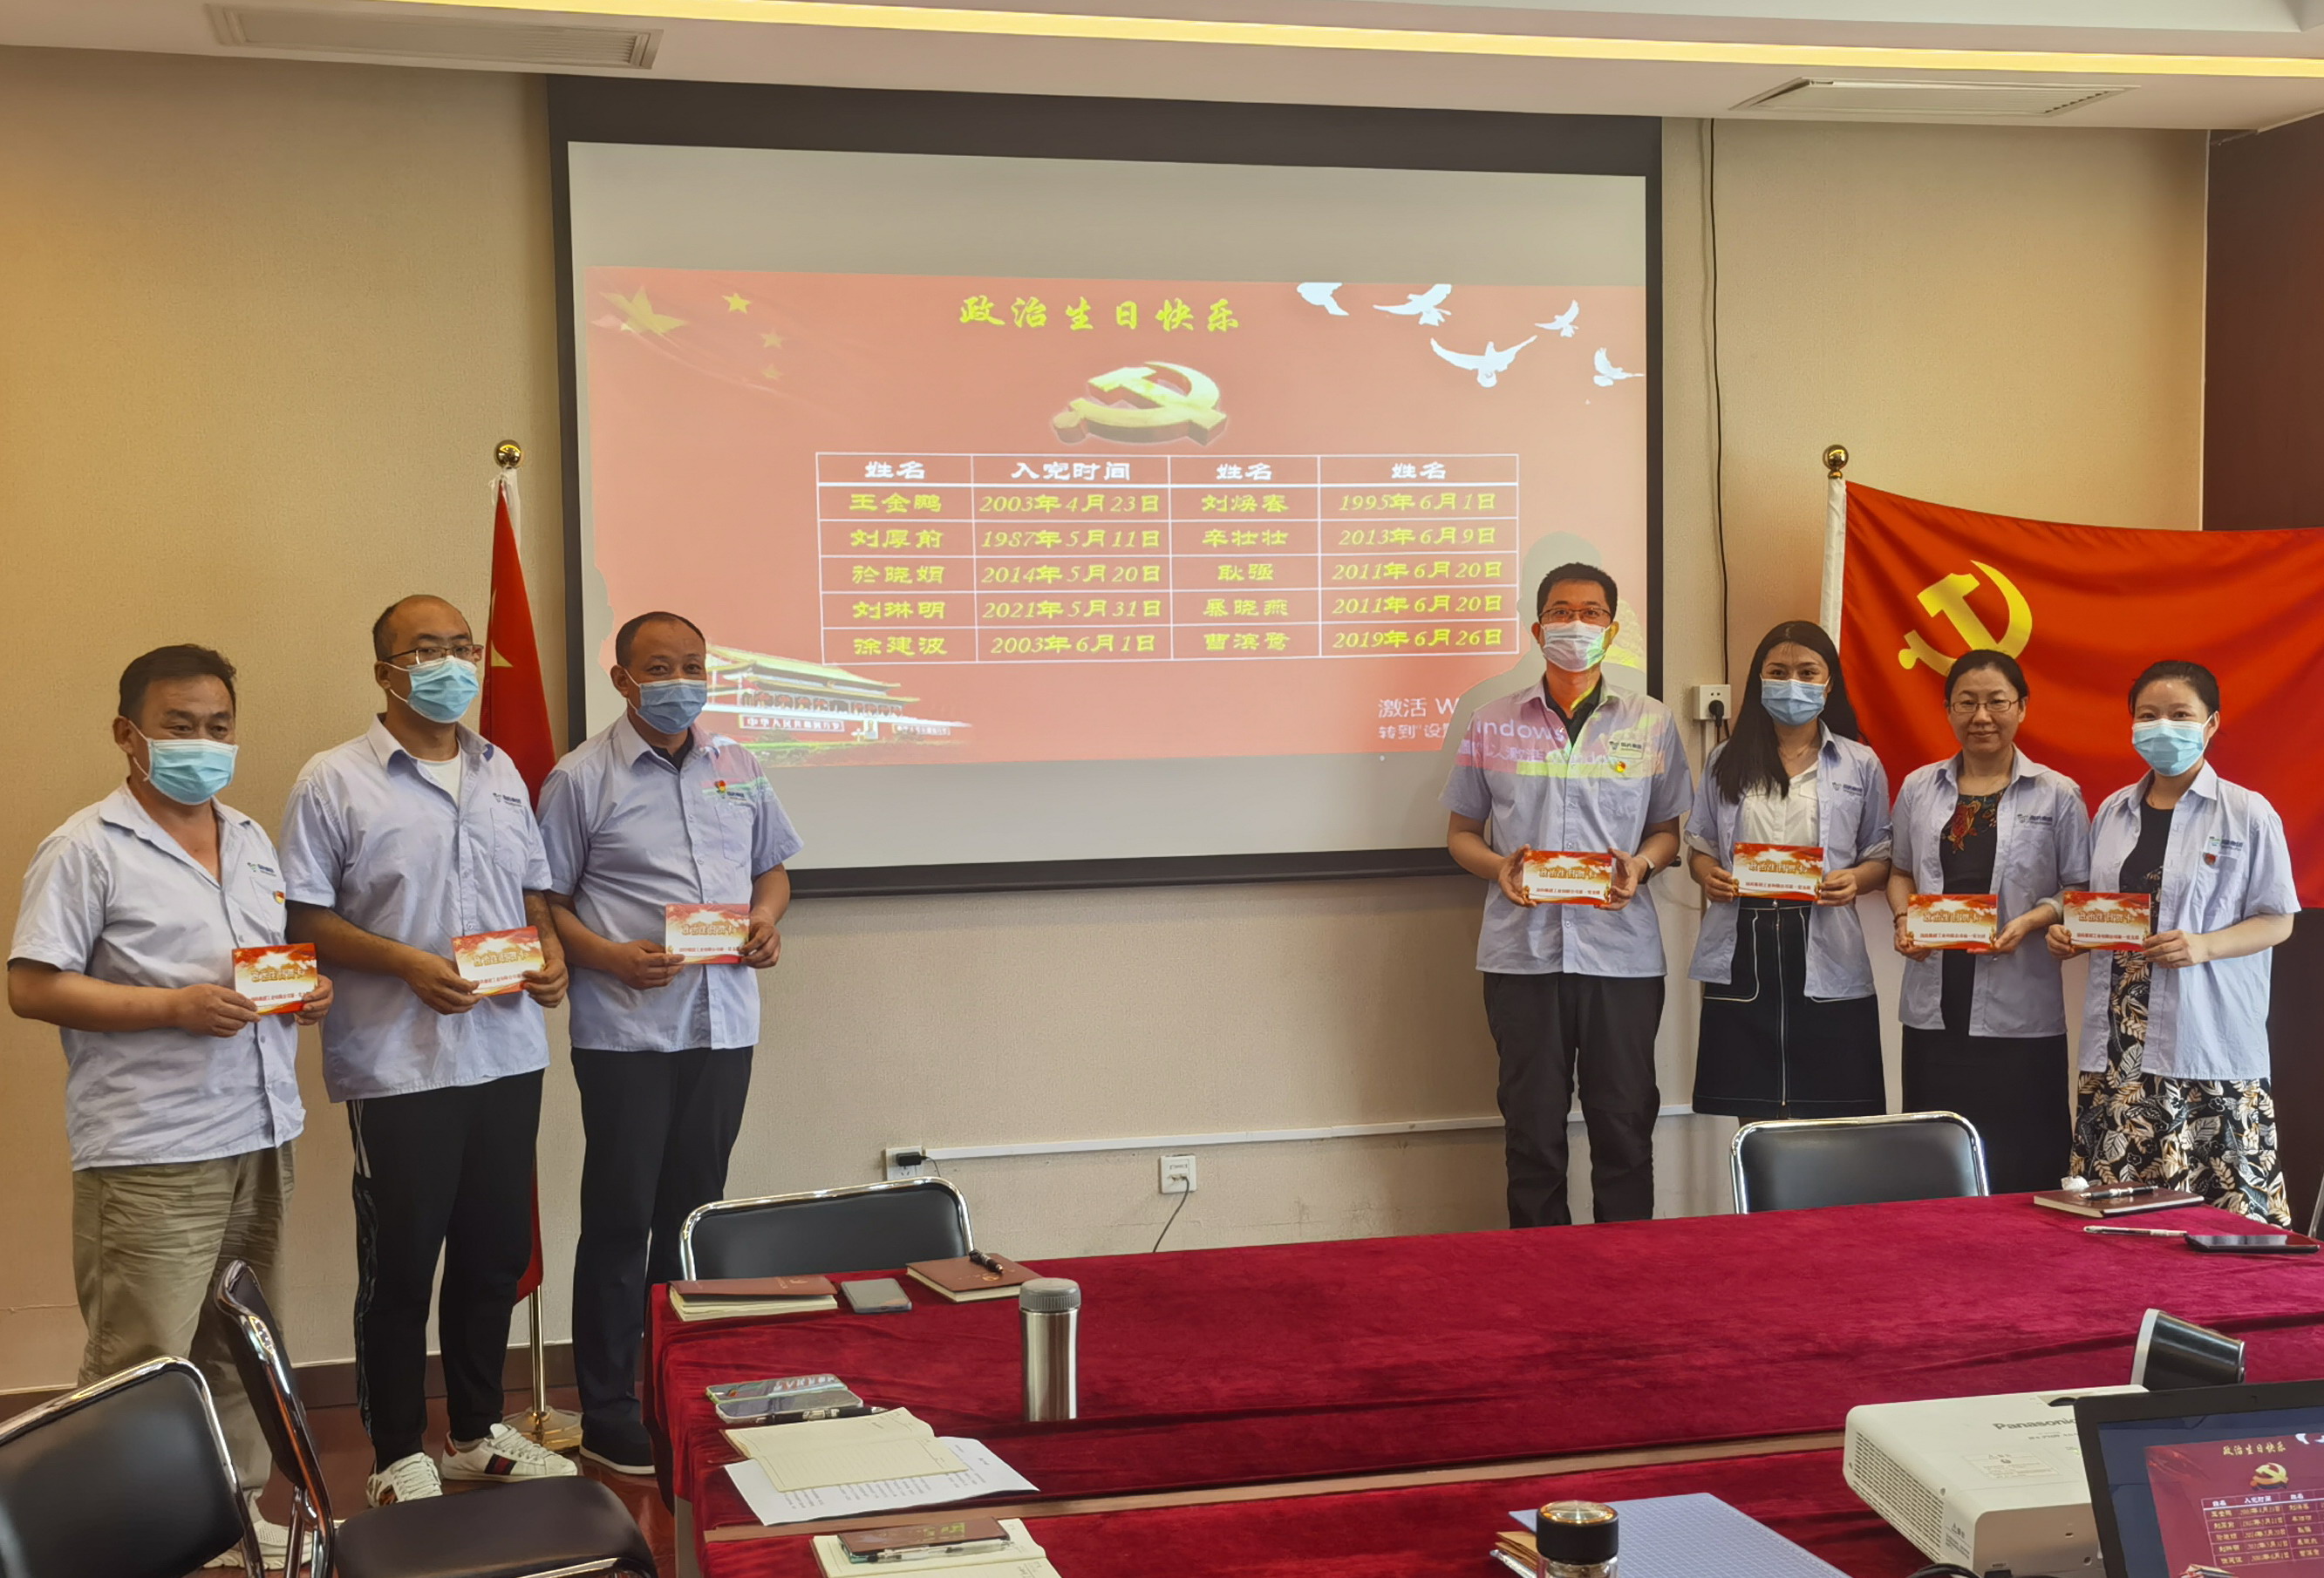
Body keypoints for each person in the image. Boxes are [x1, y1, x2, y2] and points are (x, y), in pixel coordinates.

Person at [8, 644, 327, 1568]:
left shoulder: (251, 837)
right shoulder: (86, 846)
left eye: (218, 726)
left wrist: (305, 993)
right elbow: (31, 986)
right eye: (179, 725)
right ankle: (121, 1544)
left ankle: (229, 1523)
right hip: (152, 1147)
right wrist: (171, 1008)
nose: (202, 742)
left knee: (239, 1344)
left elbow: (264, 964)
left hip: (260, 1130)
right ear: (129, 734)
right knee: (141, 1362)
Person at [280, 595, 576, 1506]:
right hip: (398, 1063)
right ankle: (396, 1453)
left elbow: (532, 893)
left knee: (494, 1254)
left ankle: (477, 1432)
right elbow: (302, 918)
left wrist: (550, 952)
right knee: (402, 1265)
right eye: (425, 650)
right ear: (385, 672)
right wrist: (406, 963)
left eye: (461, 647)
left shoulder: (501, 771)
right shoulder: (333, 780)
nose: (451, 664)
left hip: (505, 1052)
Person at [537, 611, 801, 1475]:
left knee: (693, 1216)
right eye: (660, 667)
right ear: (621, 679)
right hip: (628, 1032)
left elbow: (771, 868)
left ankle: (680, 1385)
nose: (680, 681)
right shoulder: (581, 777)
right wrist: (605, 955)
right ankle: (609, 1408)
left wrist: (765, 920)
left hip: (723, 1024)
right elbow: (547, 901)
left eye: (693, 665)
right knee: (621, 1219)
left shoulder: (738, 765)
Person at [1443, 562, 1692, 1227]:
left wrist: (1641, 864)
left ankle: (1625, 1268)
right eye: (1560, 612)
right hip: (1521, 957)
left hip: (1621, 958)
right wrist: (1498, 867)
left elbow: (1667, 832)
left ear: (1610, 630)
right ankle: (1539, 1272)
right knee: (1531, 1131)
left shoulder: (1651, 721)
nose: (1574, 624)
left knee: (1624, 1126)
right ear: (1536, 629)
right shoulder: (1492, 721)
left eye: (1590, 613)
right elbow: (1461, 834)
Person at [2050, 660, 2298, 1223]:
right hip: (2119, 1047)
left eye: (2180, 714)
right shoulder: (2113, 811)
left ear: (2211, 723)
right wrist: (2073, 934)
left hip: (2204, 1035)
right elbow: (2101, 907)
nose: (2162, 727)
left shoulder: (2247, 812)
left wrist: (2203, 946)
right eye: (2148, 715)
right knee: (2118, 1212)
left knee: (2222, 1213)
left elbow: (2276, 921)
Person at [1884, 650, 2090, 1192]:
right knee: (1934, 1157)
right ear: (1948, 710)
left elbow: (2079, 888)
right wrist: (1904, 919)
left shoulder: (2057, 792)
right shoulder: (1919, 787)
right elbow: (1899, 871)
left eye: (1997, 702)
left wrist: (2031, 921)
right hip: (1934, 1005)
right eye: (1967, 703)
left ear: (2022, 707)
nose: (1982, 716)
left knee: (2024, 1158)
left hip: (2019, 1009)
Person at [1687, 621, 1891, 1121]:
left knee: (1833, 1108)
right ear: (1760, 679)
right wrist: (1707, 874)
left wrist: (1856, 879)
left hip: (1825, 940)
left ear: (1829, 682)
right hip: (1744, 940)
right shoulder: (1725, 759)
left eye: (1807, 672)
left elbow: (1881, 856)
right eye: (1778, 672)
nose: (1792, 683)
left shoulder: (1860, 763)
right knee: (1753, 1109)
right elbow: (1701, 846)